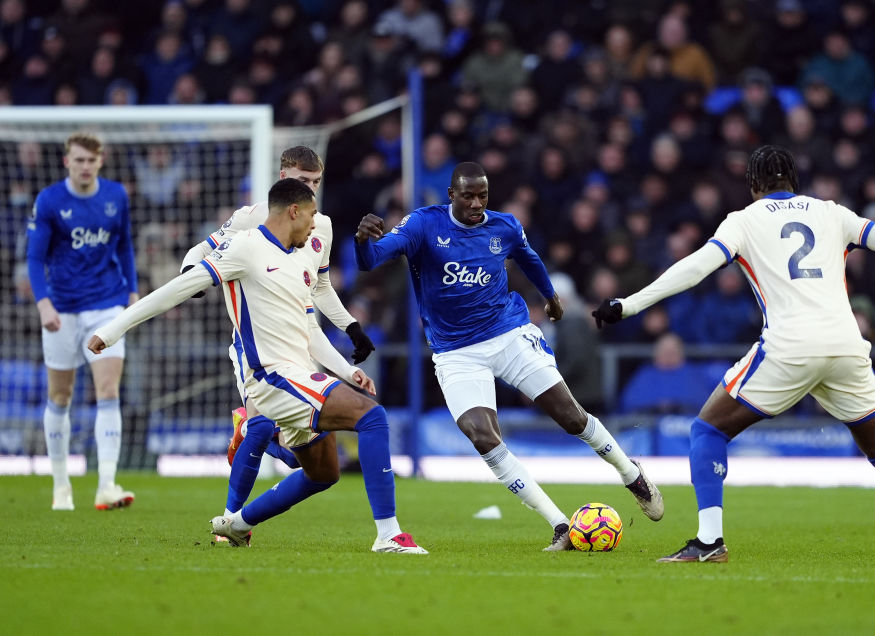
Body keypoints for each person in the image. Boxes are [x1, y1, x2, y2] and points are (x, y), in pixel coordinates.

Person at [592, 145, 875, 567]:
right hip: (846, 346)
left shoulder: (743, 220)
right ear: (794, 181)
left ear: (753, 184)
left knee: (707, 430)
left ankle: (709, 541)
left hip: (790, 346)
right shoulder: (832, 213)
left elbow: (696, 267)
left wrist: (629, 304)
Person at [89, 178, 426, 553]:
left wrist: (347, 371)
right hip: (272, 378)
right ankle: (388, 535)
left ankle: (237, 524)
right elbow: (176, 290)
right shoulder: (244, 247)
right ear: (293, 211)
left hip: (300, 375)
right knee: (372, 417)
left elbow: (309, 328)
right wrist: (113, 329)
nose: (315, 225)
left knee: (323, 472)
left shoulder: (299, 260)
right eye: (311, 215)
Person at [354, 162, 663, 551]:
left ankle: (631, 473)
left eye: (482, 195)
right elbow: (371, 259)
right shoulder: (423, 224)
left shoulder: (505, 226)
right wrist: (362, 241)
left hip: (509, 334)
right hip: (455, 352)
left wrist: (550, 297)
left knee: (571, 416)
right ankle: (560, 525)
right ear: (451, 195)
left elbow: (528, 258)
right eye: (468, 196)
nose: (476, 203)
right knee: (481, 435)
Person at [178, 146, 377, 539]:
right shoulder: (250, 218)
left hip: (298, 341)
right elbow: (202, 249)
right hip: (254, 341)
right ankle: (230, 523)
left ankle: (253, 435)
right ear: (283, 177)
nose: (311, 189)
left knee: (303, 456)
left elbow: (320, 286)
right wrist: (190, 276)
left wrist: (351, 327)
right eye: (303, 181)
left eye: (316, 181)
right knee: (261, 424)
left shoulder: (321, 226)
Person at [26, 132, 138, 512]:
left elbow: (124, 245)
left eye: (91, 160)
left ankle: (106, 484)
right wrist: (43, 304)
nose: (85, 166)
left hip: (106, 304)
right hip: (62, 309)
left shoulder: (116, 196)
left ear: (100, 161)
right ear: (67, 162)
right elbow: (34, 257)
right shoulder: (50, 200)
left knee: (108, 389)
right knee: (60, 396)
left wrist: (132, 292)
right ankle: (61, 487)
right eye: (79, 160)